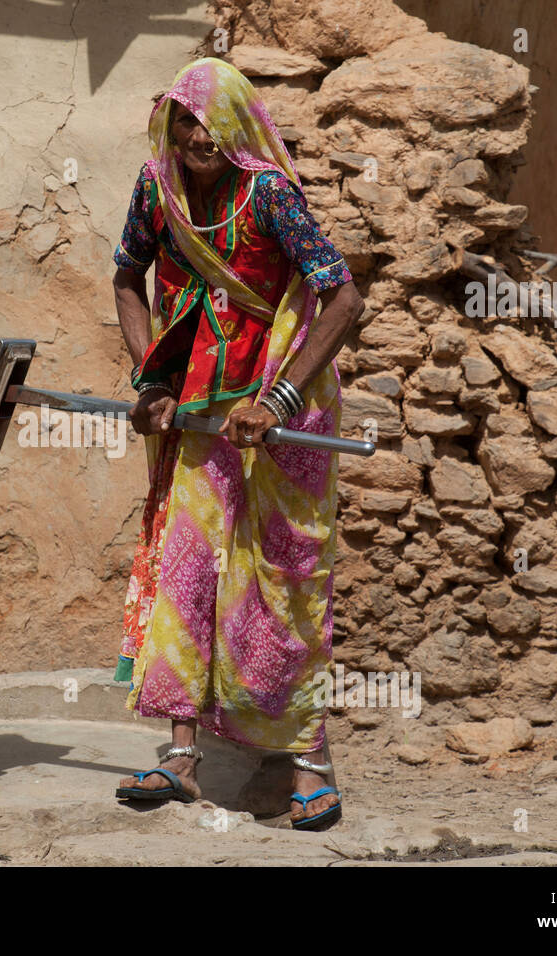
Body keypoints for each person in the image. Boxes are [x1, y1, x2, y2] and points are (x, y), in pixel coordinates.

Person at [110, 57, 365, 830]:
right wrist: (148, 382)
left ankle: (307, 764)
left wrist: (277, 397)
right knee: (186, 567)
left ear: (238, 128)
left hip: (280, 417)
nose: (195, 136)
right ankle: (181, 760)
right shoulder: (157, 191)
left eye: (208, 122)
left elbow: (342, 294)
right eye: (182, 121)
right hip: (197, 414)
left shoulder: (270, 195)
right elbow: (127, 277)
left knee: (280, 582)